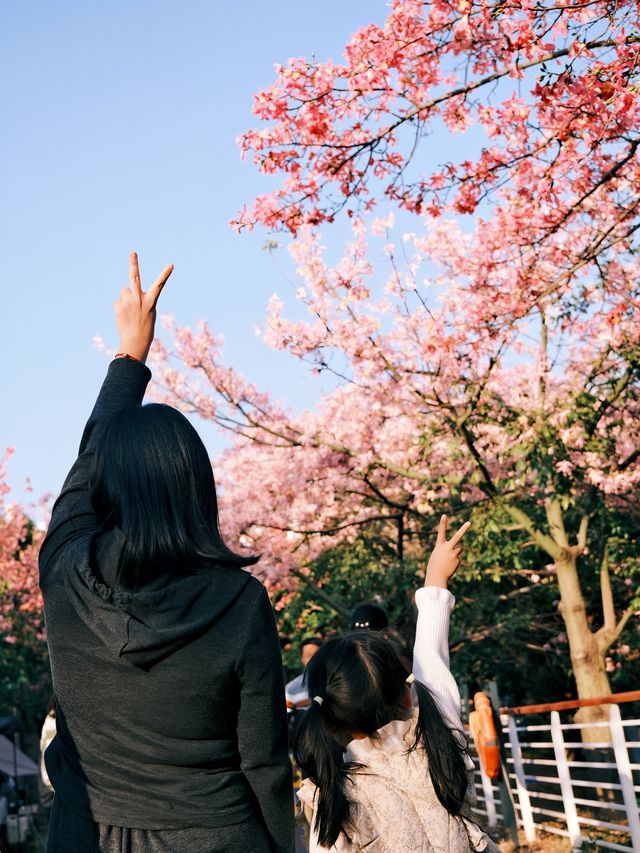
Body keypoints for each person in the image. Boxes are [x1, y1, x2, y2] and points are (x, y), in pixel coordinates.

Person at [39, 254, 294, 853]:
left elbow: (85, 466)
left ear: (105, 486)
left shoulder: (66, 574)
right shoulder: (239, 602)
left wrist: (131, 356)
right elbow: (264, 761)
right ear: (197, 486)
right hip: (219, 835)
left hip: (86, 833)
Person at [294, 516, 499, 853]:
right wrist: (436, 577)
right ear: (407, 693)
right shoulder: (438, 738)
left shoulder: (331, 796)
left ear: (328, 717)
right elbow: (432, 657)